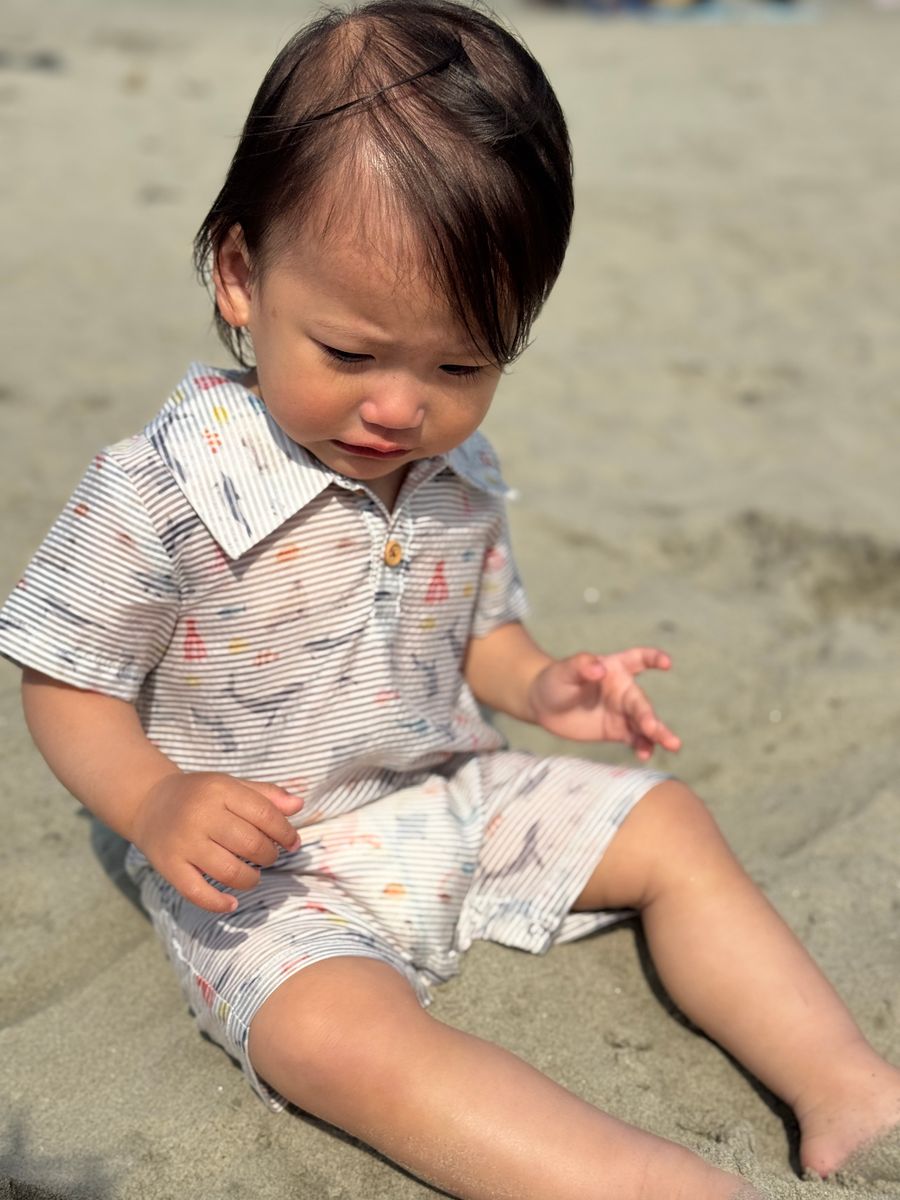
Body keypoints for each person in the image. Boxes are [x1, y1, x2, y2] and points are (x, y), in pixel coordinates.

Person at [1, 2, 897, 1197]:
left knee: (670, 825)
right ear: (241, 276)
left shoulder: (454, 469)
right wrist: (155, 800)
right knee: (335, 1038)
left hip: (446, 792)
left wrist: (547, 684)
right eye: (350, 353)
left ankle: (846, 1086)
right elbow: (66, 682)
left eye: (461, 365)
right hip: (267, 868)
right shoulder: (158, 488)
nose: (399, 408)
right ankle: (639, 1182)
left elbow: (478, 634)